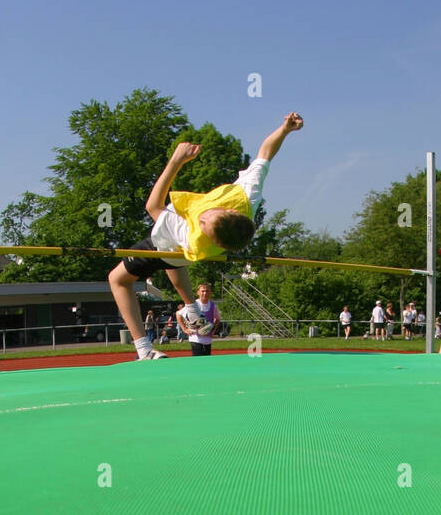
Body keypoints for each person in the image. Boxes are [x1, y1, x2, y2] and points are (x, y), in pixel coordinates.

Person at [108, 111, 304, 361]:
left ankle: (144, 350)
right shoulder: (248, 196)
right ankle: (190, 307)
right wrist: (285, 129)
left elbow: (153, 207)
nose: (200, 219)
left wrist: (176, 161)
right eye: (207, 217)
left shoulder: (193, 235)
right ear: (232, 211)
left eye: (204, 224)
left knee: (117, 279)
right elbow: (266, 153)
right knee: (174, 259)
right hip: (182, 255)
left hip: (167, 245)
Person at [177, 281, 221, 357]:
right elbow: (178, 314)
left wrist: (213, 331)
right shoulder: (194, 305)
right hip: (195, 339)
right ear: (198, 292)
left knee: (207, 362)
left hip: (208, 339)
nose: (205, 293)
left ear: (210, 292)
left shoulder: (213, 306)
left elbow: (217, 319)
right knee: (198, 362)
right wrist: (184, 329)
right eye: (202, 291)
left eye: (207, 291)